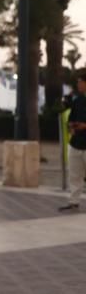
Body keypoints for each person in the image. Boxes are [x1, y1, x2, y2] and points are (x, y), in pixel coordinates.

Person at [60, 72, 86, 211]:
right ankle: (73, 201)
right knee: (75, 174)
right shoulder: (78, 100)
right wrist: (72, 126)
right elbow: (71, 118)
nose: (78, 84)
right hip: (76, 142)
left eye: (80, 81)